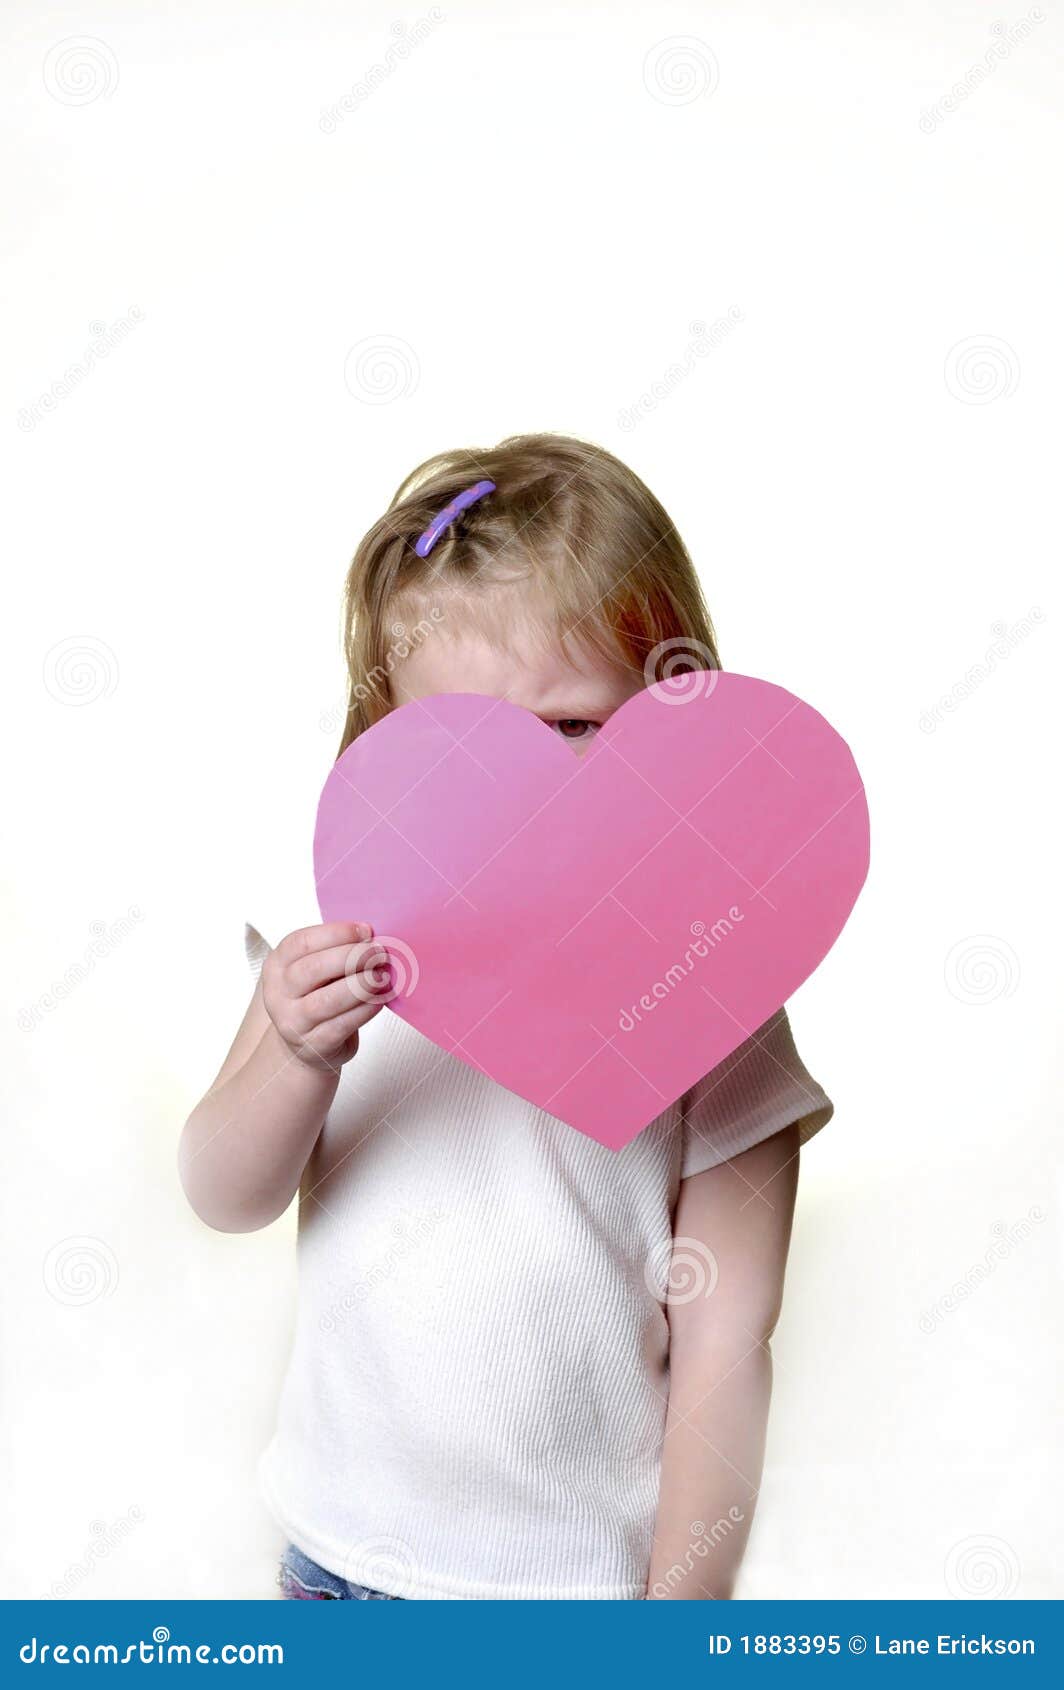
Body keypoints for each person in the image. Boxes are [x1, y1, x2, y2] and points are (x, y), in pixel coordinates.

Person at [178, 433, 833, 1601]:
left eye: (575, 727)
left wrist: (678, 1614)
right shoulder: (335, 942)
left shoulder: (716, 991)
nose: (525, 798)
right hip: (335, 1559)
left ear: (672, 716)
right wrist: (290, 1051)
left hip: (572, 1597)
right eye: (458, 749)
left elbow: (724, 1346)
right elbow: (224, 1194)